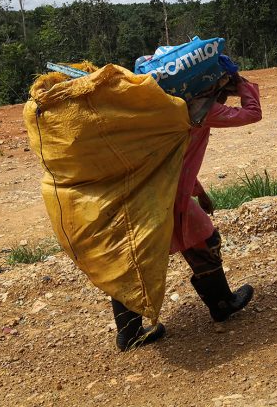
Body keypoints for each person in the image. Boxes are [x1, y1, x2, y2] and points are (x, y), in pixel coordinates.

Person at [112, 72, 262, 351]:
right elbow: (251, 114)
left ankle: (128, 330)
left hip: (142, 194)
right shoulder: (204, 109)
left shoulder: (168, 107)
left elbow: (176, 158)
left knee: (134, 261)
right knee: (206, 244)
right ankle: (222, 304)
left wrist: (200, 192)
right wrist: (245, 85)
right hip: (171, 198)